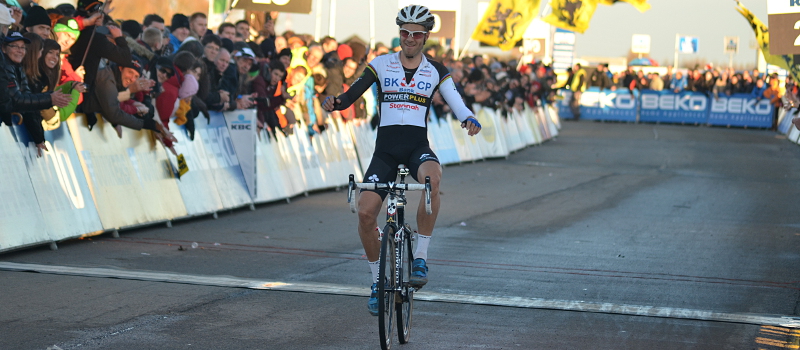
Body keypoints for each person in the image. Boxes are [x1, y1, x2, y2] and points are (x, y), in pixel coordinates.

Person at [322, 4, 481, 316]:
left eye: (416, 34)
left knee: (432, 179)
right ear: (400, 34)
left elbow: (456, 100)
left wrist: (469, 118)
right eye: (404, 32)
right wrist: (333, 102)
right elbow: (349, 96)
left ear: (425, 37)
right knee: (366, 215)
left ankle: (420, 256)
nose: (409, 38)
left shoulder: (436, 70)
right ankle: (376, 283)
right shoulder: (380, 64)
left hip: (416, 147)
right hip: (385, 152)